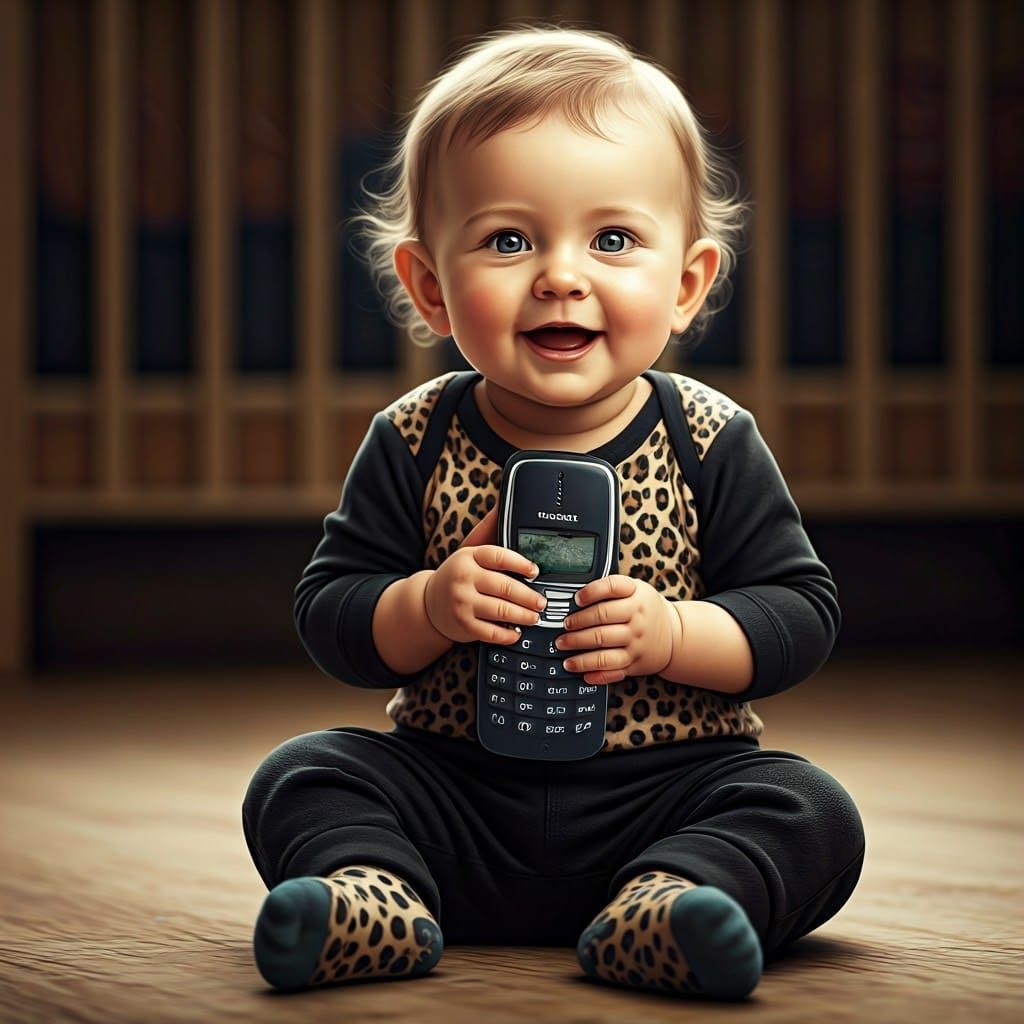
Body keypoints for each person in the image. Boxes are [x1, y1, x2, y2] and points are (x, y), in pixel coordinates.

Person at [242, 23, 865, 1001]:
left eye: (611, 238)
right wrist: (424, 607)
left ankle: (668, 903)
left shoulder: (709, 437)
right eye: (507, 239)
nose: (560, 274)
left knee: (808, 807)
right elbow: (332, 612)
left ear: (687, 285)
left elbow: (799, 613)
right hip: (455, 798)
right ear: (429, 286)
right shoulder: (414, 438)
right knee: (304, 772)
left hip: (667, 793)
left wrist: (674, 633)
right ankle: (374, 895)